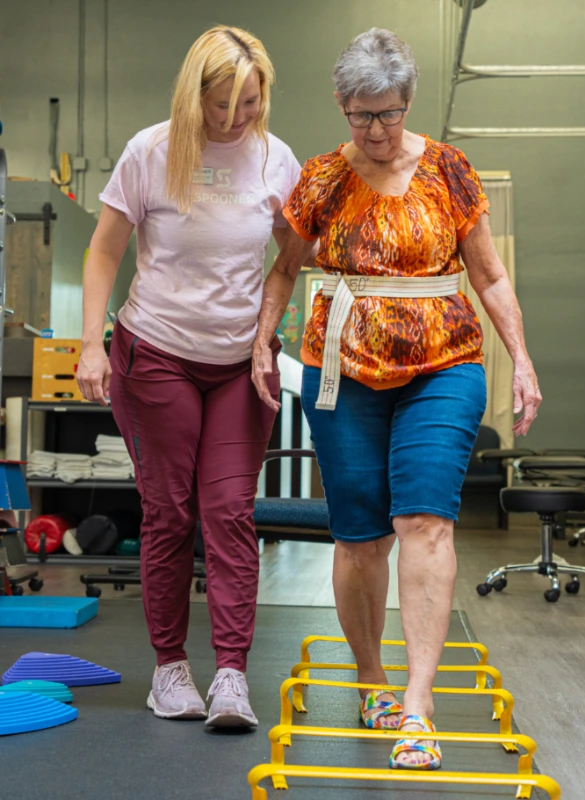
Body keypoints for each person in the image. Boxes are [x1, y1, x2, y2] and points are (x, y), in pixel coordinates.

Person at [252, 28, 542, 769]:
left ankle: (417, 700)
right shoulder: (320, 179)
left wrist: (524, 360)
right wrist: (262, 339)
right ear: (342, 108)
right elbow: (284, 270)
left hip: (444, 362)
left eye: (387, 113)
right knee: (359, 533)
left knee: (423, 520)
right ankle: (372, 675)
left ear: (408, 102)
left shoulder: (448, 169)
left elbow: (492, 277)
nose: (376, 131)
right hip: (342, 370)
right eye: (361, 116)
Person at [77, 25, 304, 728]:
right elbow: (102, 254)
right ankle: (169, 669)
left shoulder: (276, 158)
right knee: (170, 512)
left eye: (250, 102)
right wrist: (91, 343)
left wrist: (266, 333)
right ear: (193, 94)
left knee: (231, 514)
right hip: (158, 356)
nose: (236, 118)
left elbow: (289, 262)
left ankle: (230, 675)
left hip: (241, 366)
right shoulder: (152, 151)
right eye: (222, 104)